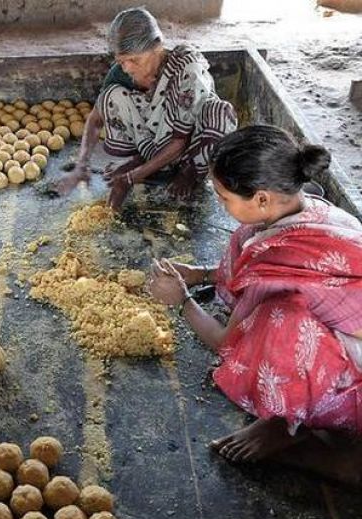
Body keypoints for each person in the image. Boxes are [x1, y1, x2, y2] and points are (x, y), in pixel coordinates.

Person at [149, 125, 362, 485]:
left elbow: (225, 342)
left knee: (281, 321)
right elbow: (258, 263)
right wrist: (199, 275)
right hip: (344, 339)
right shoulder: (311, 210)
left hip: (352, 375)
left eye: (223, 198)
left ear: (262, 199)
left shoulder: (275, 257)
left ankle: (293, 422)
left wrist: (181, 300)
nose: (220, 203)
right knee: (246, 238)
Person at [52, 7, 237, 209]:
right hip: (156, 142)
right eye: (121, 61)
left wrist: (131, 178)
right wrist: (82, 165)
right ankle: (143, 159)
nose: (127, 68)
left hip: (190, 142)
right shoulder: (122, 72)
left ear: (157, 47)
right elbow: (96, 119)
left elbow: (180, 141)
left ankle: (189, 171)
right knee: (111, 96)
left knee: (220, 112)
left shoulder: (185, 70)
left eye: (134, 60)